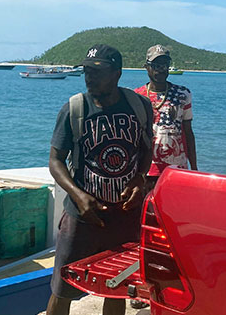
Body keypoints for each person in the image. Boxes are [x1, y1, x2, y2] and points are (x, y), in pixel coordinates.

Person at [46, 44, 153, 315]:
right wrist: (78, 195)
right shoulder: (74, 109)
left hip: (124, 216)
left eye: (97, 72)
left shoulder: (138, 107)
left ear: (116, 74)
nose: (89, 77)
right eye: (86, 71)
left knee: (116, 287)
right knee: (62, 289)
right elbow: (56, 160)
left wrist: (140, 178)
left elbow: (146, 149)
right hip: (82, 217)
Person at [134, 44, 197, 187]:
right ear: (146, 67)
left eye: (165, 65)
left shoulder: (183, 94)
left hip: (176, 169)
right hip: (146, 170)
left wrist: (194, 168)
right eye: (156, 65)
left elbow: (188, 132)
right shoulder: (137, 96)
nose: (161, 70)